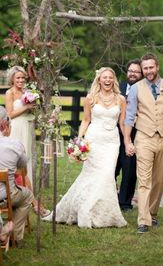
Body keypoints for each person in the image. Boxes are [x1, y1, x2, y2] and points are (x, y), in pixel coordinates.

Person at [43, 67, 127, 228]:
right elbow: (86, 120)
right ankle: (84, 209)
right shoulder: (90, 98)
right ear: (99, 80)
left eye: (110, 77)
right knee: (90, 175)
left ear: (114, 80)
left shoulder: (121, 99)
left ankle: (103, 214)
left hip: (112, 142)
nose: (107, 80)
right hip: (94, 139)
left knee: (107, 175)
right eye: (104, 78)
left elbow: (122, 123)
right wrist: (80, 139)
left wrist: (128, 141)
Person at [124, 53, 163, 233]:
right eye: (145, 68)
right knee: (144, 179)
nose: (148, 71)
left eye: (151, 67)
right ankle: (143, 220)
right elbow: (130, 116)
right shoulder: (135, 89)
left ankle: (152, 213)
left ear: (157, 67)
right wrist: (127, 141)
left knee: (159, 179)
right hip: (143, 137)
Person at [5, 65, 50, 218]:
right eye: (18, 78)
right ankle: (26, 198)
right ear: (12, 79)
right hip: (16, 128)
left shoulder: (27, 93)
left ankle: (26, 195)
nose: (21, 80)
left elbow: (33, 109)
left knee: (27, 160)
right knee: (17, 161)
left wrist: (34, 107)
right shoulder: (9, 93)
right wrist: (26, 107)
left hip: (27, 127)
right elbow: (9, 114)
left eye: (23, 78)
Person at [0, 106, 34, 247]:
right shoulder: (15, 144)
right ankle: (16, 238)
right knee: (27, 196)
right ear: (4, 125)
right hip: (5, 196)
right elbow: (22, 166)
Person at [115, 59, 142, 211]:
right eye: (130, 71)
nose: (132, 74)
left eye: (136, 72)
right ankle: (110, 197)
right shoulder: (119, 87)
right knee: (111, 167)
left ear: (141, 74)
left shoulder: (144, 90)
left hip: (134, 135)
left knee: (130, 170)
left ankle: (124, 202)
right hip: (114, 134)